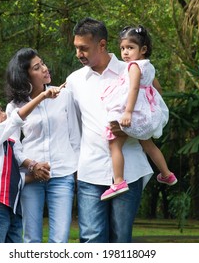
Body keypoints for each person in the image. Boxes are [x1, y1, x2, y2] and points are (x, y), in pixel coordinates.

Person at [65, 17, 153, 243]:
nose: (78, 54)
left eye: (83, 48)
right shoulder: (74, 81)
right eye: (76, 48)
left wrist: (132, 129)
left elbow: (157, 115)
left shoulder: (134, 71)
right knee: (91, 238)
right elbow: (74, 129)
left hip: (129, 171)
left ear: (102, 45)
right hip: (90, 172)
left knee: (121, 239)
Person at [5, 48, 80, 243]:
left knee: (60, 239)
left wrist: (77, 171)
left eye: (43, 63)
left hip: (62, 174)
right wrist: (32, 166)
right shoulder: (15, 106)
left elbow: (75, 137)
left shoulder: (64, 95)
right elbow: (13, 146)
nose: (45, 69)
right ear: (25, 76)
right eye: (37, 67)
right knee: (31, 239)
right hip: (31, 177)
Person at [0, 87, 62, 243]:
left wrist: (38, 172)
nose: (4, 114)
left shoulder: (8, 144)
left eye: (1, 110)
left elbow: (15, 178)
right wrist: (41, 96)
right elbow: (15, 120)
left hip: (13, 207)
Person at [100, 25, 177, 201]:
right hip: (144, 112)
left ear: (143, 49)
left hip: (132, 111)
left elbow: (134, 87)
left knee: (114, 143)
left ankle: (118, 181)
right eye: (123, 48)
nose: (125, 53)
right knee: (148, 144)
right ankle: (166, 174)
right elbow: (158, 88)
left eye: (130, 48)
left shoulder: (134, 66)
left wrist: (128, 112)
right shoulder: (148, 67)